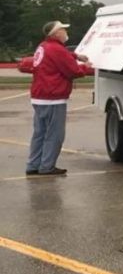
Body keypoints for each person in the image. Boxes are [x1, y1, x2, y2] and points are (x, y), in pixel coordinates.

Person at [26, 21, 92, 176]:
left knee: (39, 133)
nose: (65, 32)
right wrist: (86, 66)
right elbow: (73, 71)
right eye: (62, 29)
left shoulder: (44, 46)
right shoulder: (56, 49)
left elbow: (59, 55)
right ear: (55, 34)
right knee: (55, 135)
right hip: (53, 98)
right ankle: (47, 166)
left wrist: (75, 55)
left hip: (39, 96)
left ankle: (33, 164)